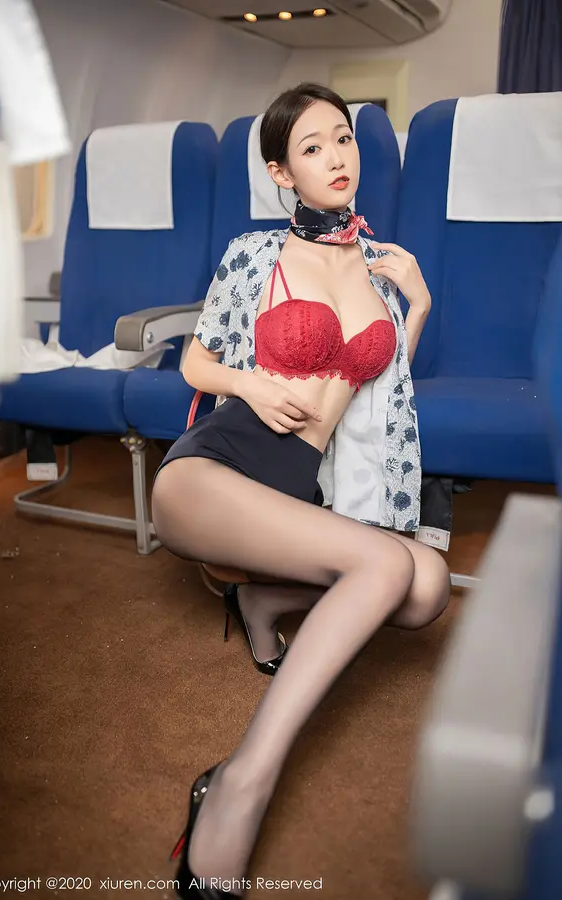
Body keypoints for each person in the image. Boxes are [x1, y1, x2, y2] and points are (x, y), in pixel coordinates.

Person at [152, 83, 451, 898]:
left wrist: (418, 303)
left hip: (289, 496)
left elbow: (384, 388)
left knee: (427, 589)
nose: (337, 157)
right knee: (388, 568)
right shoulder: (256, 252)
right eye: (312, 147)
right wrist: (250, 382)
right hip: (212, 472)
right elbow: (196, 362)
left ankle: (263, 598)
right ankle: (241, 782)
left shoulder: (382, 267)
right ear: (282, 173)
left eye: (343, 138)